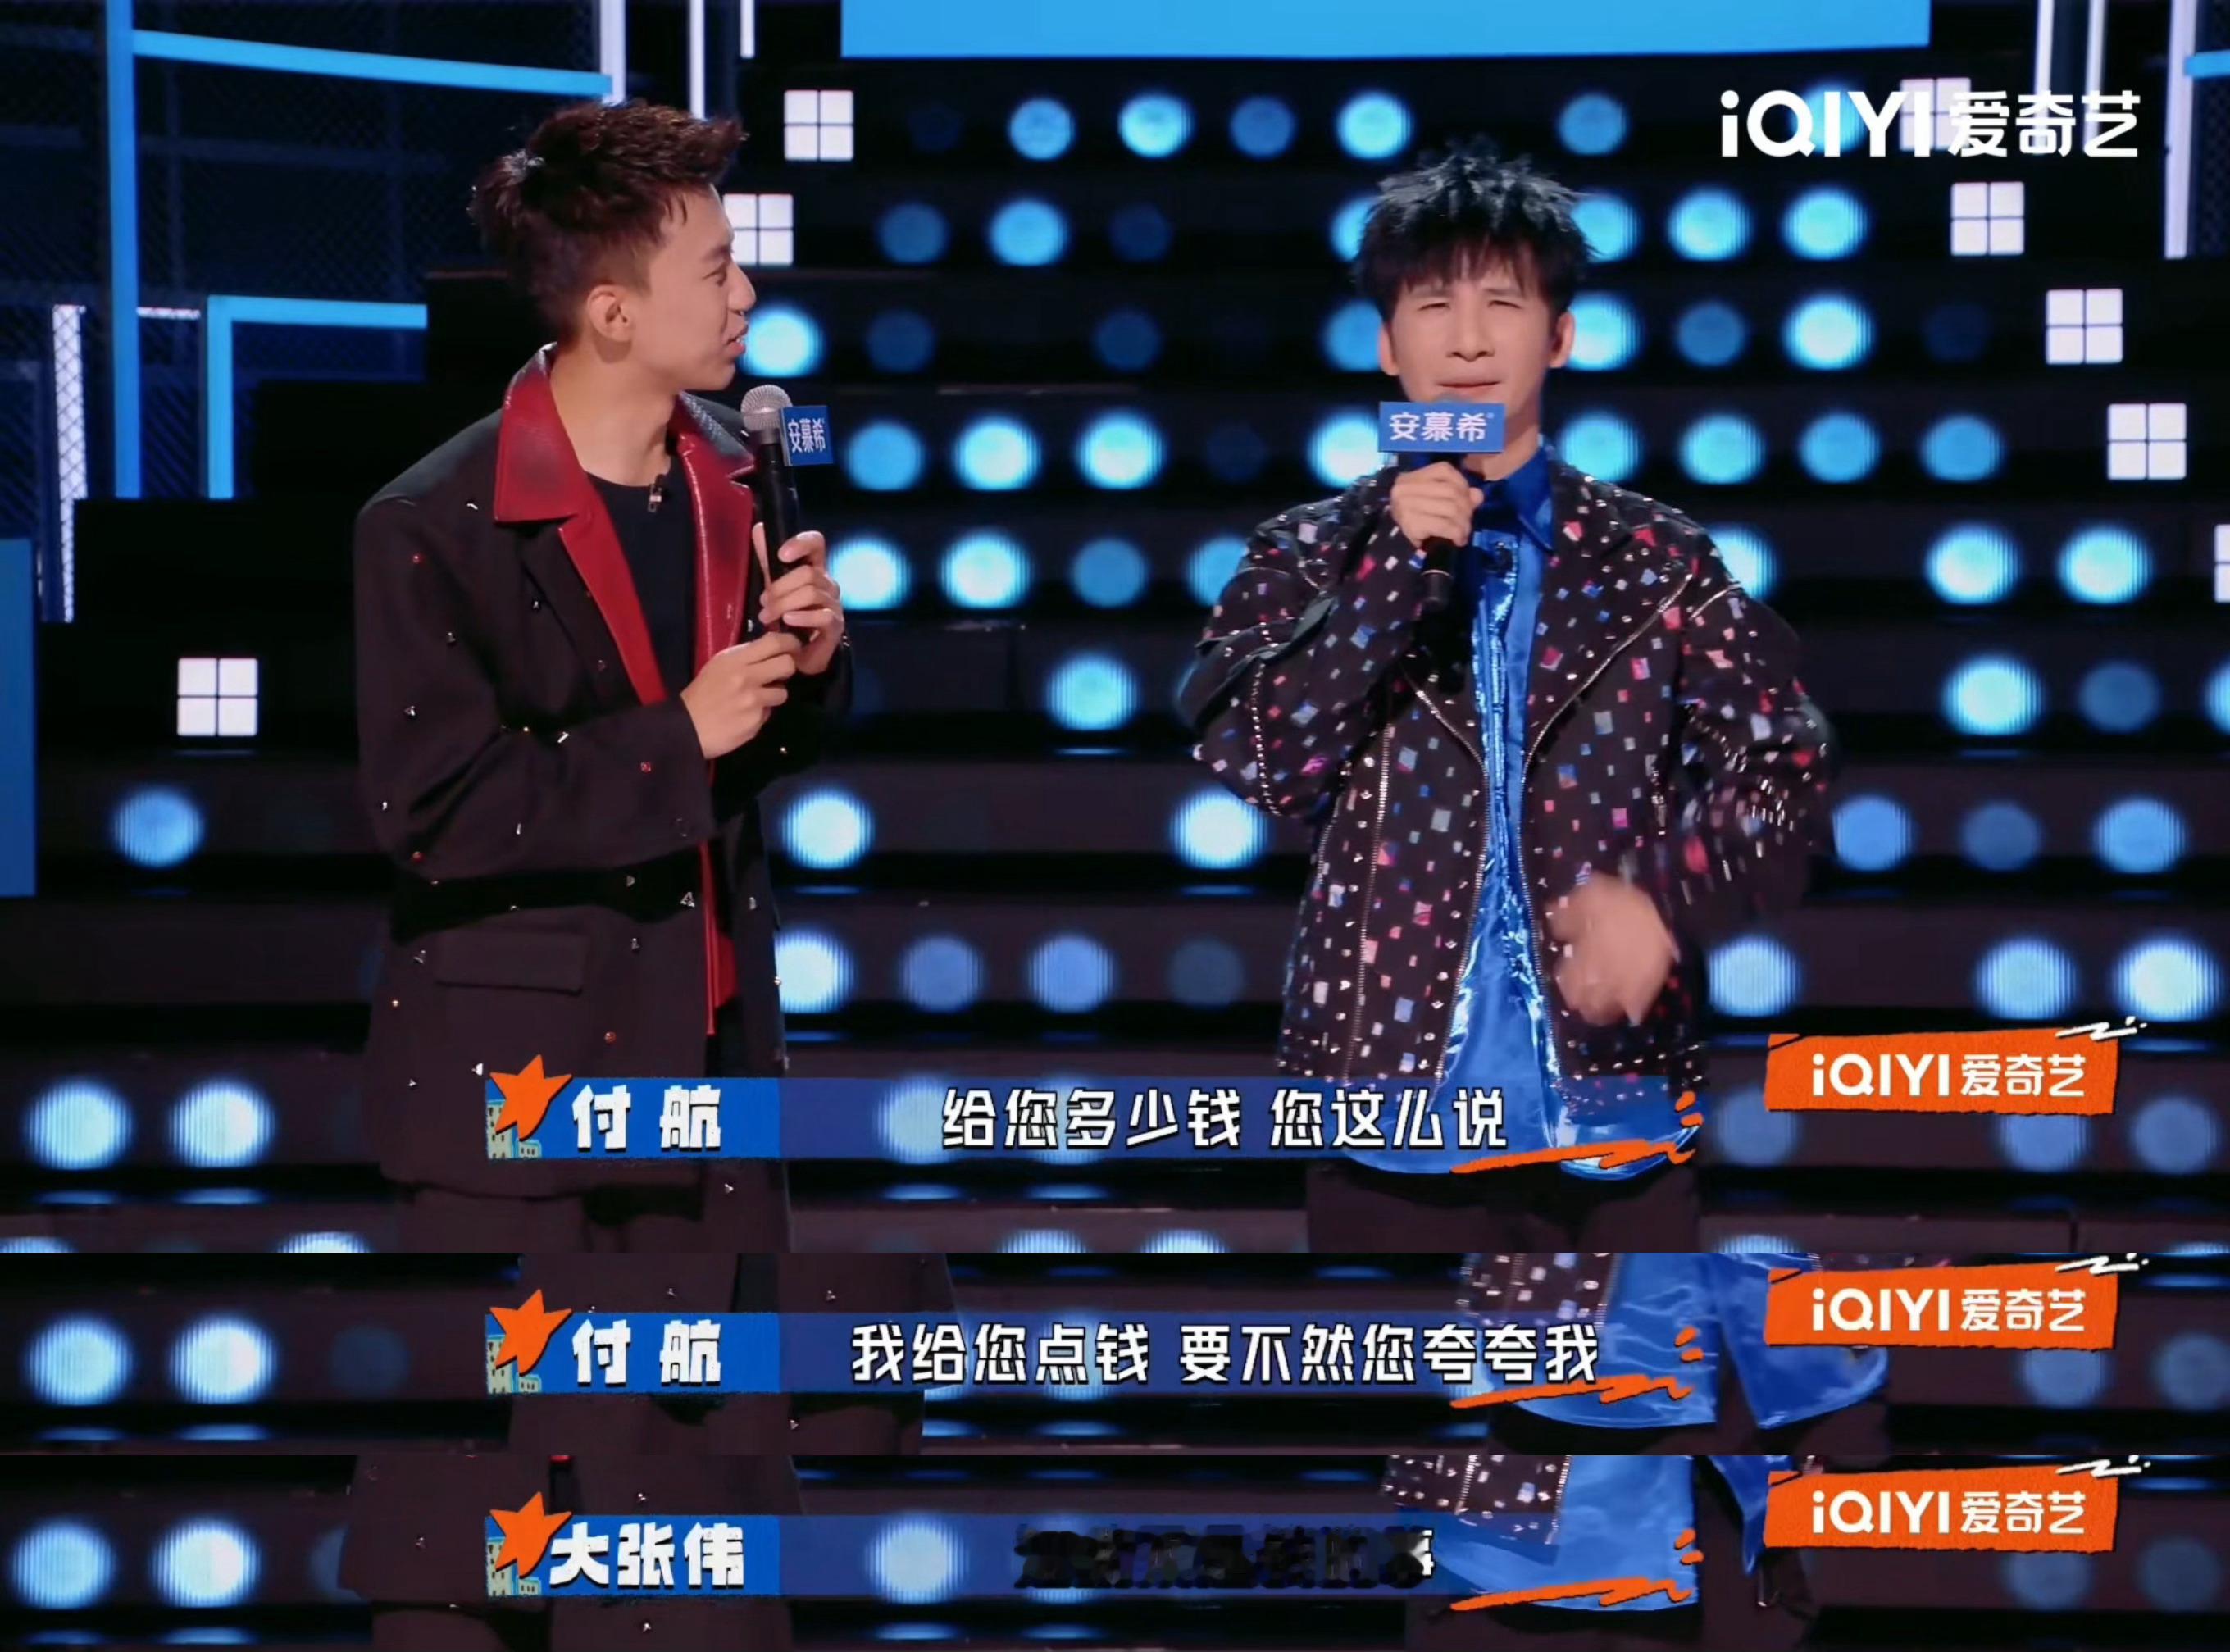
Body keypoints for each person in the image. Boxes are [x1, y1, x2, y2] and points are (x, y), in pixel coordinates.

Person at [343, 101, 947, 1650]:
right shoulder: (432, 521)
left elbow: (756, 752)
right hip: (523, 1089)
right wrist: (679, 734)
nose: (748, 295)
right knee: (495, 1529)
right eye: (719, 269)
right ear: (612, 311)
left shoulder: (736, 470)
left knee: (697, 1517)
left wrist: (811, 668)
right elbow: (436, 812)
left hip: (706, 1071)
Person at [1181, 139, 1837, 1249]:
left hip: (1614, 1106)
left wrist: (1663, 898)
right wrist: (1390, 575)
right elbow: (1262, 757)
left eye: (1504, 304)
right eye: (1435, 307)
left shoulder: (1658, 558)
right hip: (1382, 1108)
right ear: (1388, 344)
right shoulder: (1310, 551)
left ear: (1561, 336)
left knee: (1627, 1368)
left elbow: (1787, 770)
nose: (1470, 341)